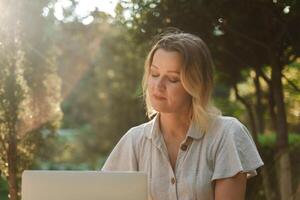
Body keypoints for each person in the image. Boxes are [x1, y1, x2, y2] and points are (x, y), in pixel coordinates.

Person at [101, 30, 264, 200]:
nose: (158, 86)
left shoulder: (227, 134)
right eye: (154, 74)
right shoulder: (134, 141)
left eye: (172, 79)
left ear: (196, 84)